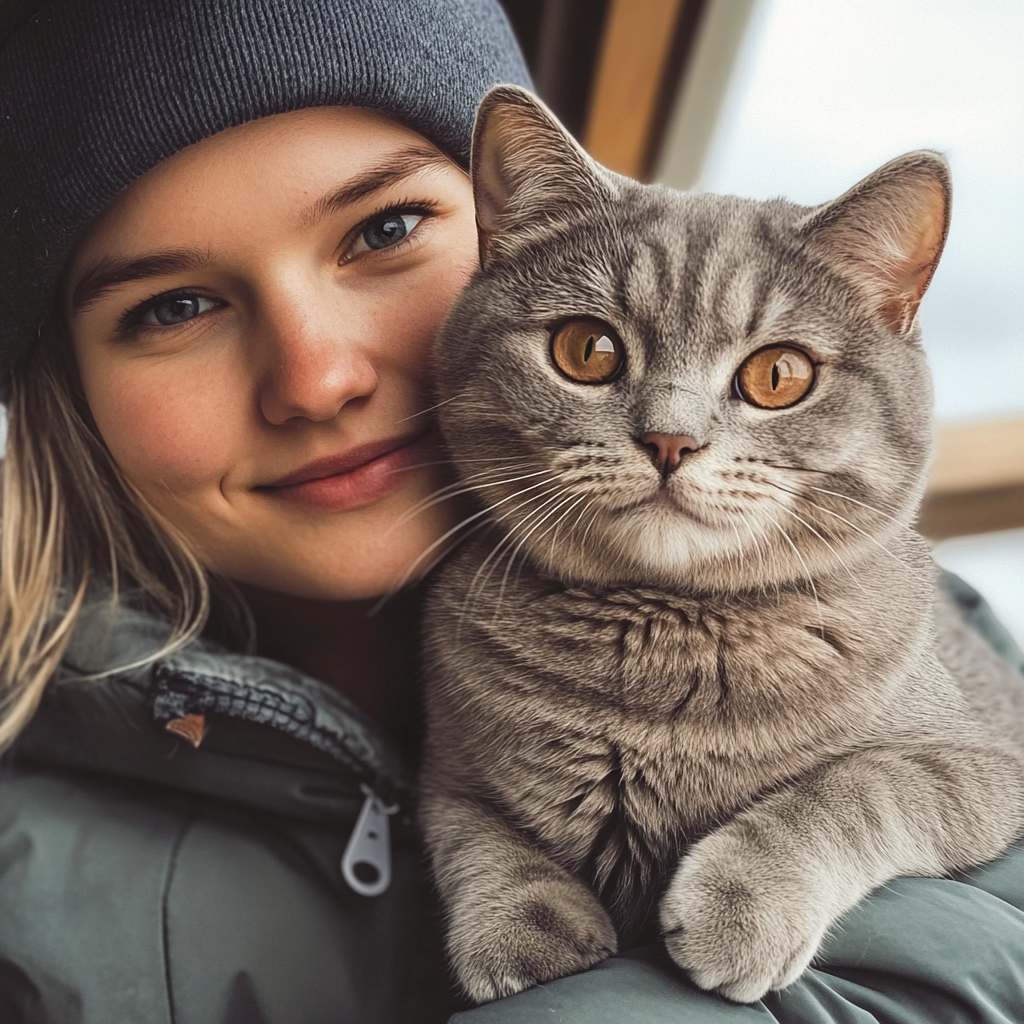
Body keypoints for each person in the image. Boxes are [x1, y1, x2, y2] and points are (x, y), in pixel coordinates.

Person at [0, 2, 1022, 1023]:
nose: (315, 378)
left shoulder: (938, 627)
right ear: (62, 392)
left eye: (385, 228)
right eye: (172, 305)